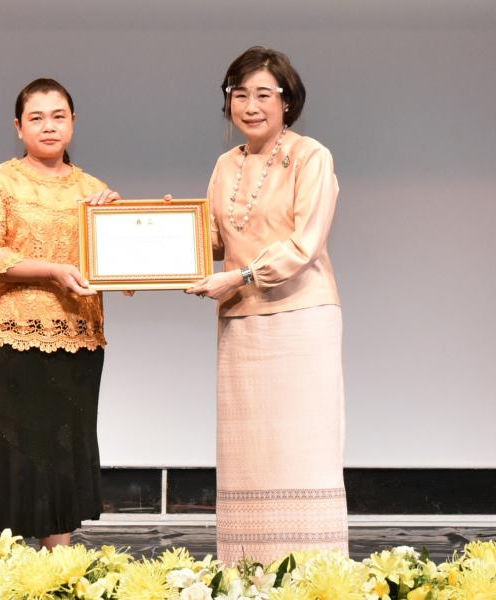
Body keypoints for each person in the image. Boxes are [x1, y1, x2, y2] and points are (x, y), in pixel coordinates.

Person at [186, 47, 348, 563]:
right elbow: (214, 240)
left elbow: (305, 244)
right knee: (249, 456)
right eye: (240, 95)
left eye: (263, 94)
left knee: (301, 450)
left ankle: (313, 573)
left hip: (301, 319)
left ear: (287, 100)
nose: (250, 106)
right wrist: (171, 232)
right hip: (241, 321)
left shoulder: (311, 156)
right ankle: (248, 570)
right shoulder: (224, 165)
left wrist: (241, 276)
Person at [0, 78, 119, 549]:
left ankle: (57, 568)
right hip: (9, 338)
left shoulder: (94, 191)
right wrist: (52, 270)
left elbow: (118, 265)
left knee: (61, 453)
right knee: (11, 452)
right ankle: (5, 565)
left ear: (73, 122)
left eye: (58, 116)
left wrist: (123, 220)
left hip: (77, 339)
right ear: (18, 127)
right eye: (36, 118)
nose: (48, 126)